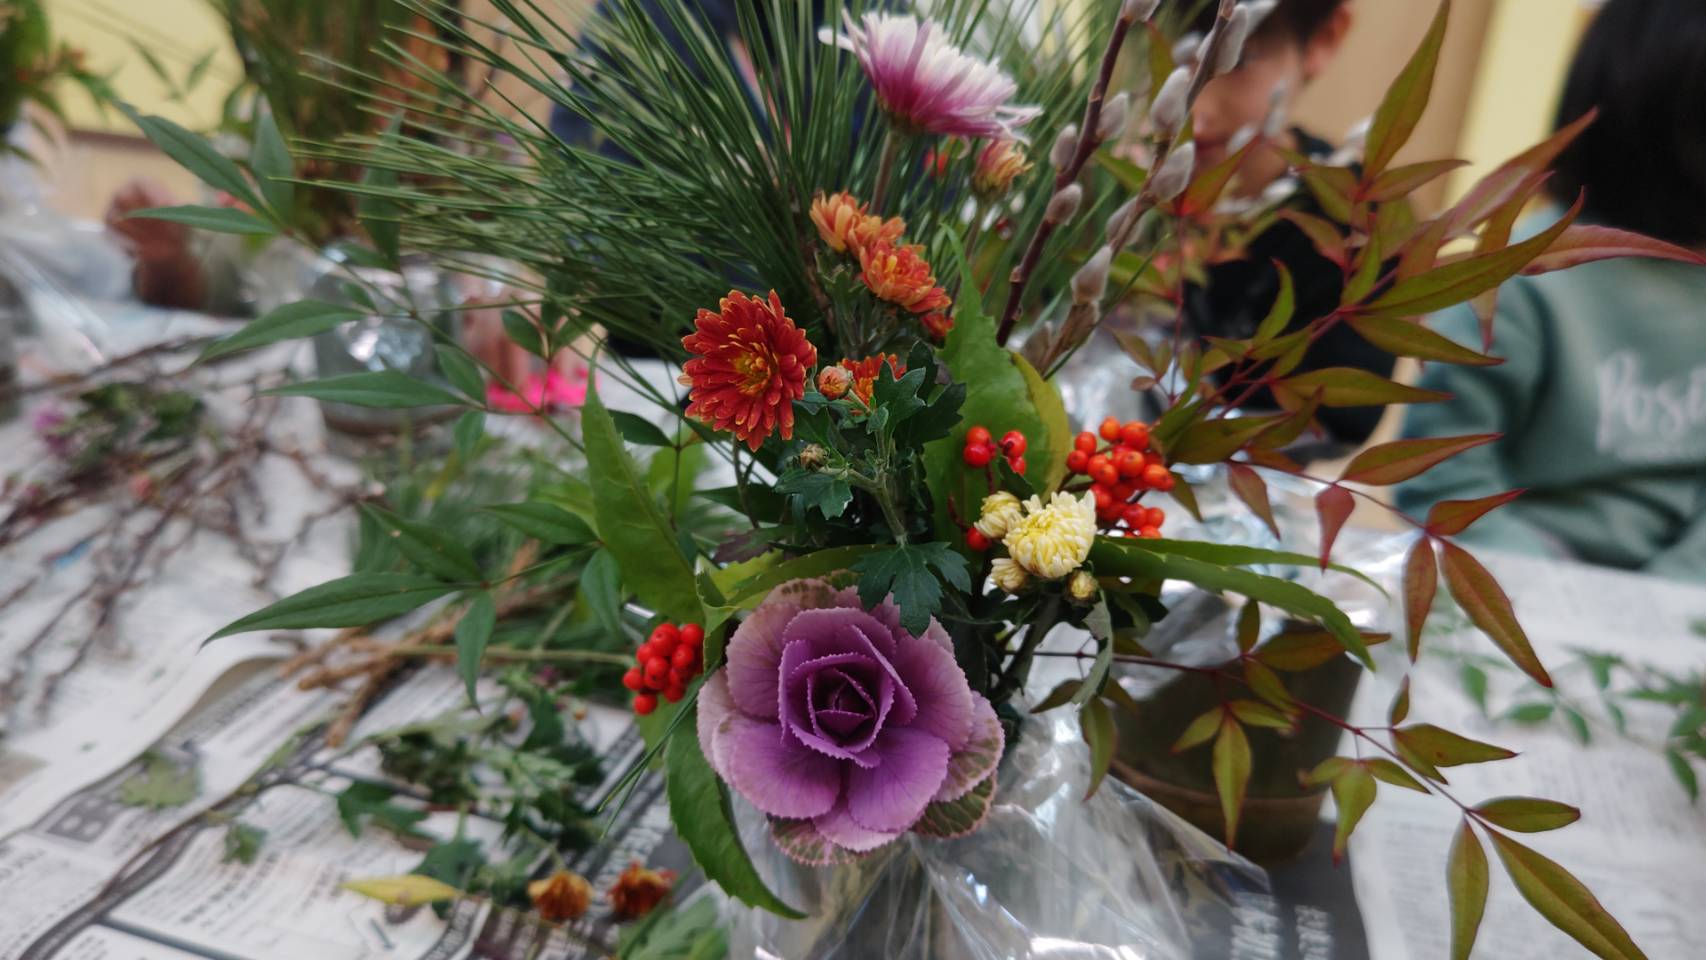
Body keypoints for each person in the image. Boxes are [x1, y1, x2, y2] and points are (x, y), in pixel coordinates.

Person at [1396, 0, 1706, 583]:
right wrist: (1566, 598)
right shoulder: (1516, 277)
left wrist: (1663, 604)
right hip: (1511, 594)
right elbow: (1444, 474)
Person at [1178, 0, 1397, 449]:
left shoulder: (1360, 227)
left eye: (1239, 59)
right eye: (1169, 58)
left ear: (1324, 39)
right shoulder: (1094, 196)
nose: (1197, 110)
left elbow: (1342, 420)